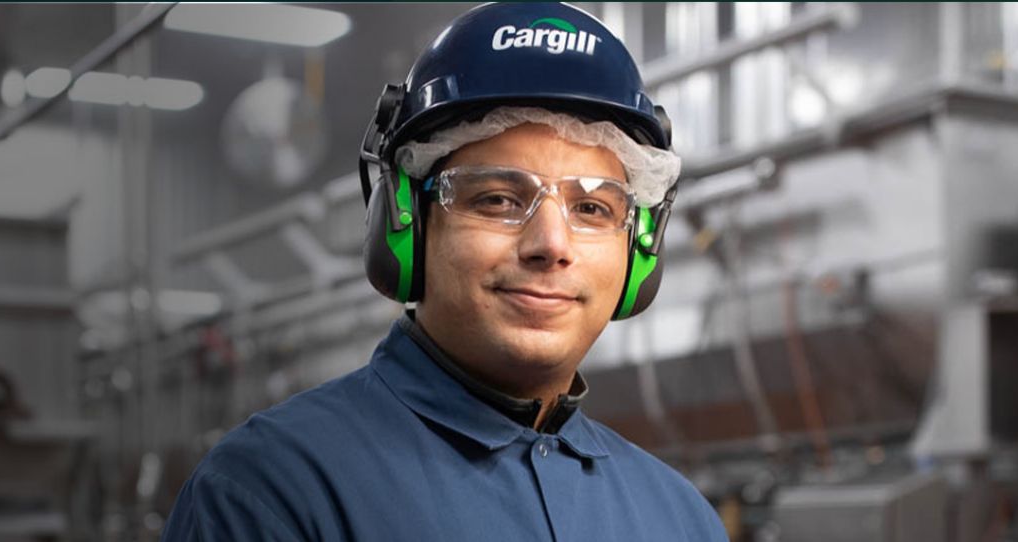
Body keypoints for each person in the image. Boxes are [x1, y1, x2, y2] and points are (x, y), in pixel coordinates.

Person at [162, 3, 725, 540]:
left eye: (593, 209)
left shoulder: (681, 519)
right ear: (405, 222)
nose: (552, 245)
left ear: (641, 247)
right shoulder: (270, 493)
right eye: (499, 200)